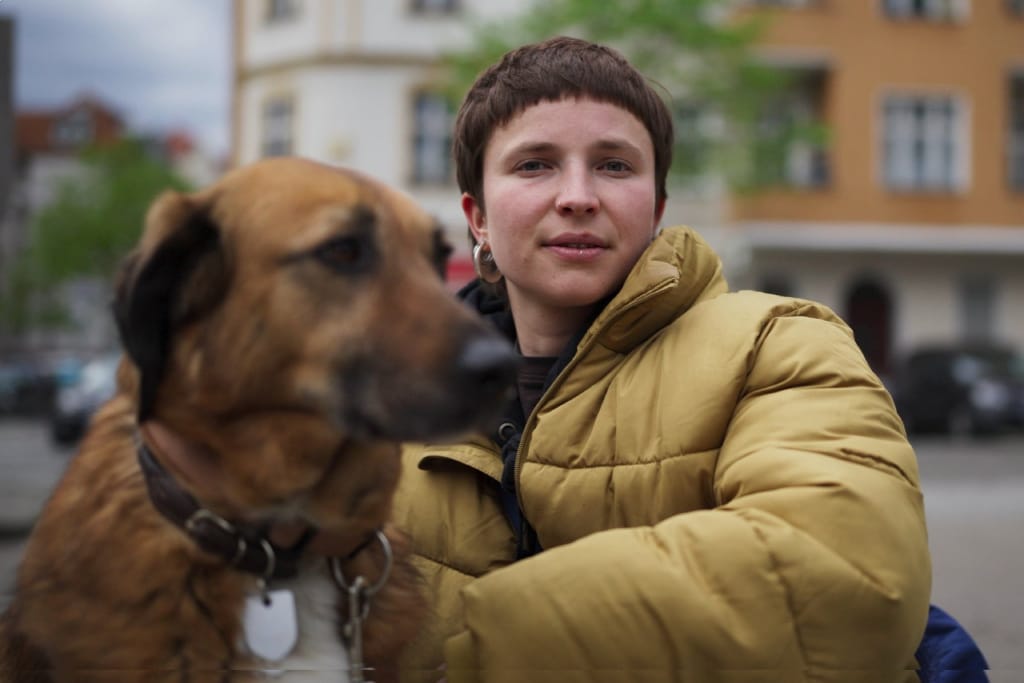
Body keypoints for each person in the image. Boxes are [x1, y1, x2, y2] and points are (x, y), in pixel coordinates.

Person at [389, 36, 932, 682]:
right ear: (476, 218)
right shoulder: (393, 407)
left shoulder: (779, 345)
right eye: (535, 164)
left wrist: (482, 650)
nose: (578, 196)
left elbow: (853, 579)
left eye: (614, 165)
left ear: (657, 208)